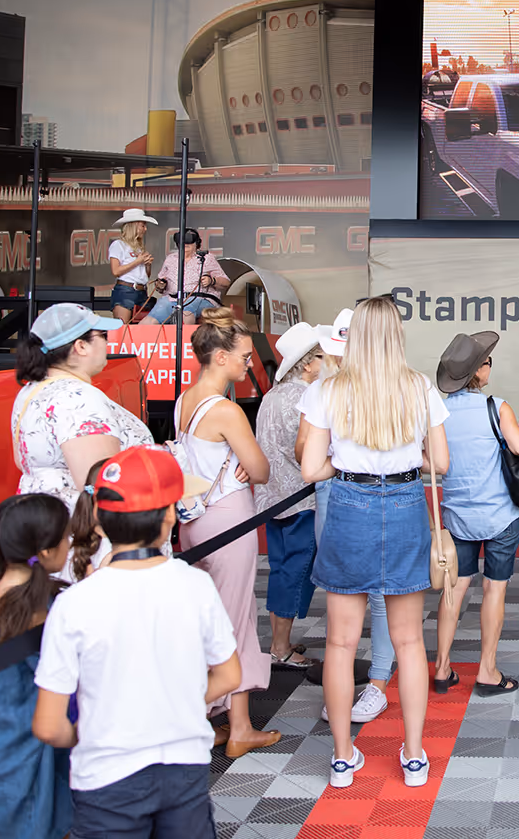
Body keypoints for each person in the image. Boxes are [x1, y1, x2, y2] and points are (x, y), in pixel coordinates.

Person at [32, 445, 242, 839]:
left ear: (100, 517)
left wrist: (94, 730)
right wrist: (174, 705)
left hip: (106, 779)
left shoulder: (74, 603)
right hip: (184, 771)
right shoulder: (195, 584)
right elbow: (230, 674)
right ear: (168, 517)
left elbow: (47, 725)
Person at [299, 295, 449, 789]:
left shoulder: (328, 389)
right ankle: (412, 756)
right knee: (409, 643)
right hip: (406, 506)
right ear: (397, 335)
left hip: (349, 506)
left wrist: (347, 466)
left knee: (340, 642)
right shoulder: (418, 387)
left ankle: (343, 759)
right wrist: (404, 460)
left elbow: (310, 468)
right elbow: (441, 464)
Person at [176, 306, 278, 757]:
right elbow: (260, 468)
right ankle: (238, 727)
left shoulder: (185, 400)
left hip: (194, 523)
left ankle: (210, 717)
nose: (246, 364)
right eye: (240, 356)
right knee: (236, 620)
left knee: (207, 621)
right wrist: (250, 467)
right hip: (229, 520)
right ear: (219, 357)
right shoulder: (226, 410)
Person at [296, 310, 398, 726]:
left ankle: (371, 684)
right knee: (367, 597)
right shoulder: (326, 390)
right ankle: (365, 685)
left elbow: (305, 449)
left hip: (342, 491)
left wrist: (338, 459)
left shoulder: (327, 390)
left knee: (351, 596)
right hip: (342, 491)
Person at [0, 493, 73, 839]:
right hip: (21, 748)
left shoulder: (0, 589)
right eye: (65, 537)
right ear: (46, 551)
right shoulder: (32, 609)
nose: (70, 543)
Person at [433, 331, 519, 696]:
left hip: (457, 516)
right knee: (494, 590)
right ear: (480, 371)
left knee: (454, 590)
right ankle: (487, 671)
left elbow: (433, 461)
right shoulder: (497, 407)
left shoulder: (438, 413)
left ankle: (443, 668)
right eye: (487, 362)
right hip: (500, 515)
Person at [12, 303, 154, 515]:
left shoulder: (31, 391)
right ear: (81, 346)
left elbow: (22, 460)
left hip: (46, 523)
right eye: (102, 335)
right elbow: (101, 487)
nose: (107, 342)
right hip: (87, 535)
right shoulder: (79, 399)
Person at [254, 321, 328, 670]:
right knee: (296, 572)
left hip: (271, 498)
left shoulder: (272, 396)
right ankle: (281, 646)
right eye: (320, 356)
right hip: (301, 499)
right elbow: (307, 452)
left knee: (282, 568)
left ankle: (279, 641)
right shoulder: (306, 398)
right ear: (309, 363)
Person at [141, 229, 230, 326]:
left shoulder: (206, 258)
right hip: (172, 299)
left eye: (189, 242)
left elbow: (226, 282)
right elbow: (160, 283)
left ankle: (184, 340)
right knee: (150, 320)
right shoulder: (170, 259)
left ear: (197, 244)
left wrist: (212, 281)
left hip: (199, 298)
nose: (185, 244)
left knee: (185, 313)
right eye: (182, 242)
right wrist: (160, 285)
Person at [108, 208, 156, 323]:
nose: (145, 229)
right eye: (142, 225)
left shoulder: (139, 247)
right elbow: (116, 271)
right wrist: (137, 261)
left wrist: (147, 265)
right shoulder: (118, 245)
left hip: (141, 291)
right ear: (133, 226)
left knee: (140, 329)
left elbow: (146, 275)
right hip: (125, 290)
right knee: (122, 328)